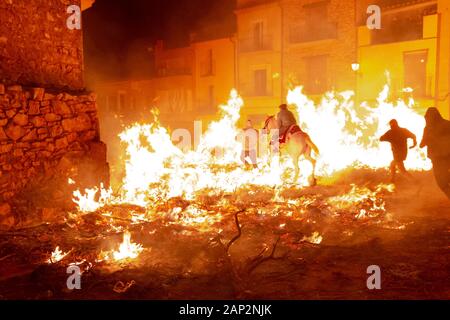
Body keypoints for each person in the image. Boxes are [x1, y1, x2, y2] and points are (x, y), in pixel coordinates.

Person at [420, 107, 450, 199]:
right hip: (447, 156)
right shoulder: (448, 124)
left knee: (442, 183)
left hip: (437, 159)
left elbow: (422, 144)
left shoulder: (429, 128)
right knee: (445, 178)